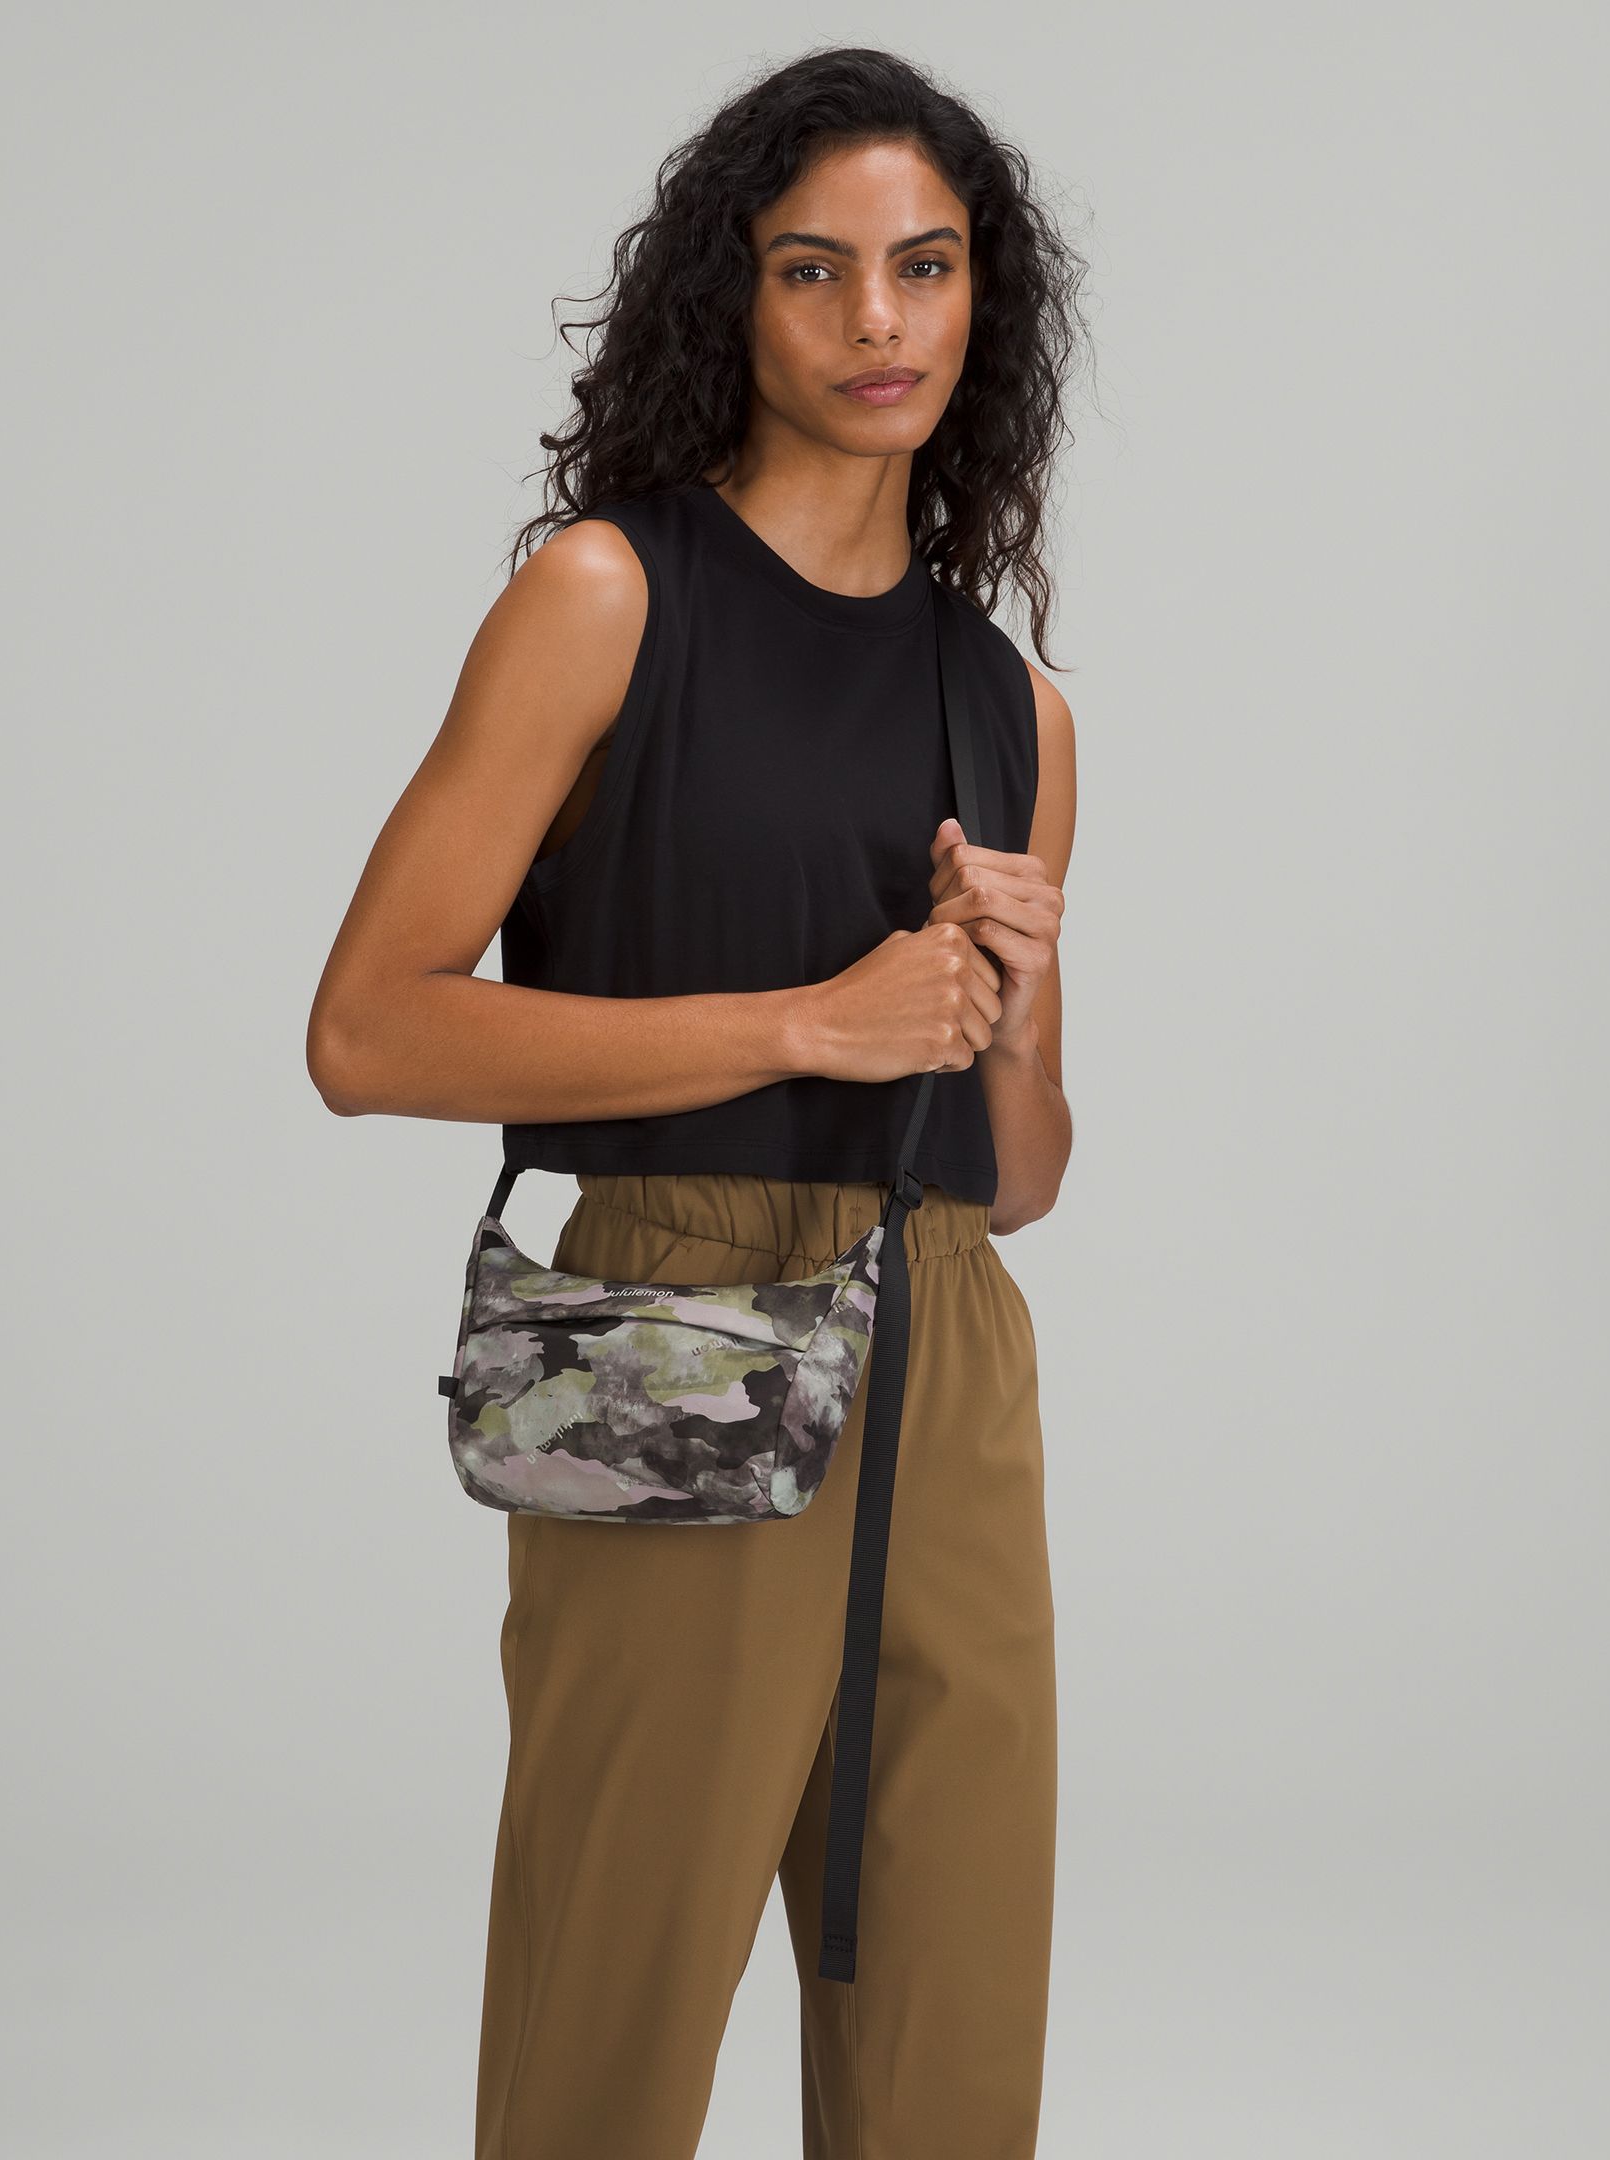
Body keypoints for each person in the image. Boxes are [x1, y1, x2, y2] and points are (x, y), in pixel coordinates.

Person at [307, 43, 1085, 2160]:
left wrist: (1013, 1014)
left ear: (982, 301)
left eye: (926, 267)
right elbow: (369, 1031)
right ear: (731, 299)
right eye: (815, 270)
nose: (877, 321)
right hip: (678, 1315)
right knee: (616, 2005)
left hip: (949, 1350)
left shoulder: (1013, 705)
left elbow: (1017, 1180)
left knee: (949, 2005)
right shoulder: (609, 597)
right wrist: (806, 1025)